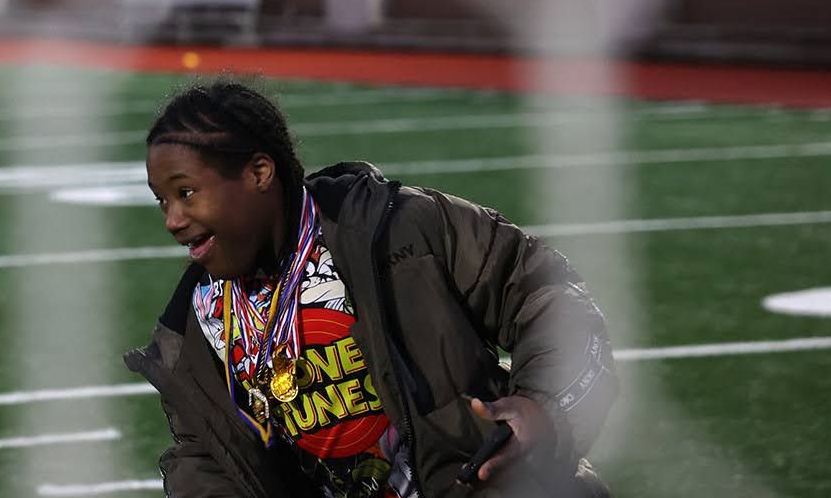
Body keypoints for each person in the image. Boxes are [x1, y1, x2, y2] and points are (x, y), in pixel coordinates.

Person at [126, 79, 615, 498]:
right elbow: (204, 455)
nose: (172, 219)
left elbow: (542, 290)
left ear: (259, 173)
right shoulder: (196, 319)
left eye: (186, 192)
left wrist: (545, 405)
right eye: (161, 201)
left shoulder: (398, 230)